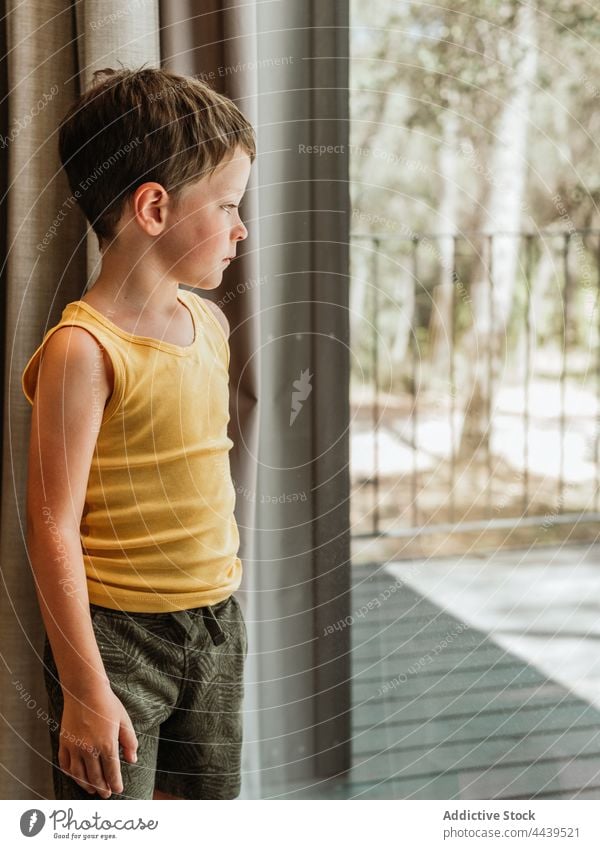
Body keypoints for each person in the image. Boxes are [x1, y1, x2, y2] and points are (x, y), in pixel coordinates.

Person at [21, 66, 255, 800]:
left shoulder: (210, 325)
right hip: (121, 640)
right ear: (153, 207)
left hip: (217, 625)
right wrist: (87, 688)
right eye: (227, 205)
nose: (241, 227)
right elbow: (50, 522)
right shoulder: (82, 349)